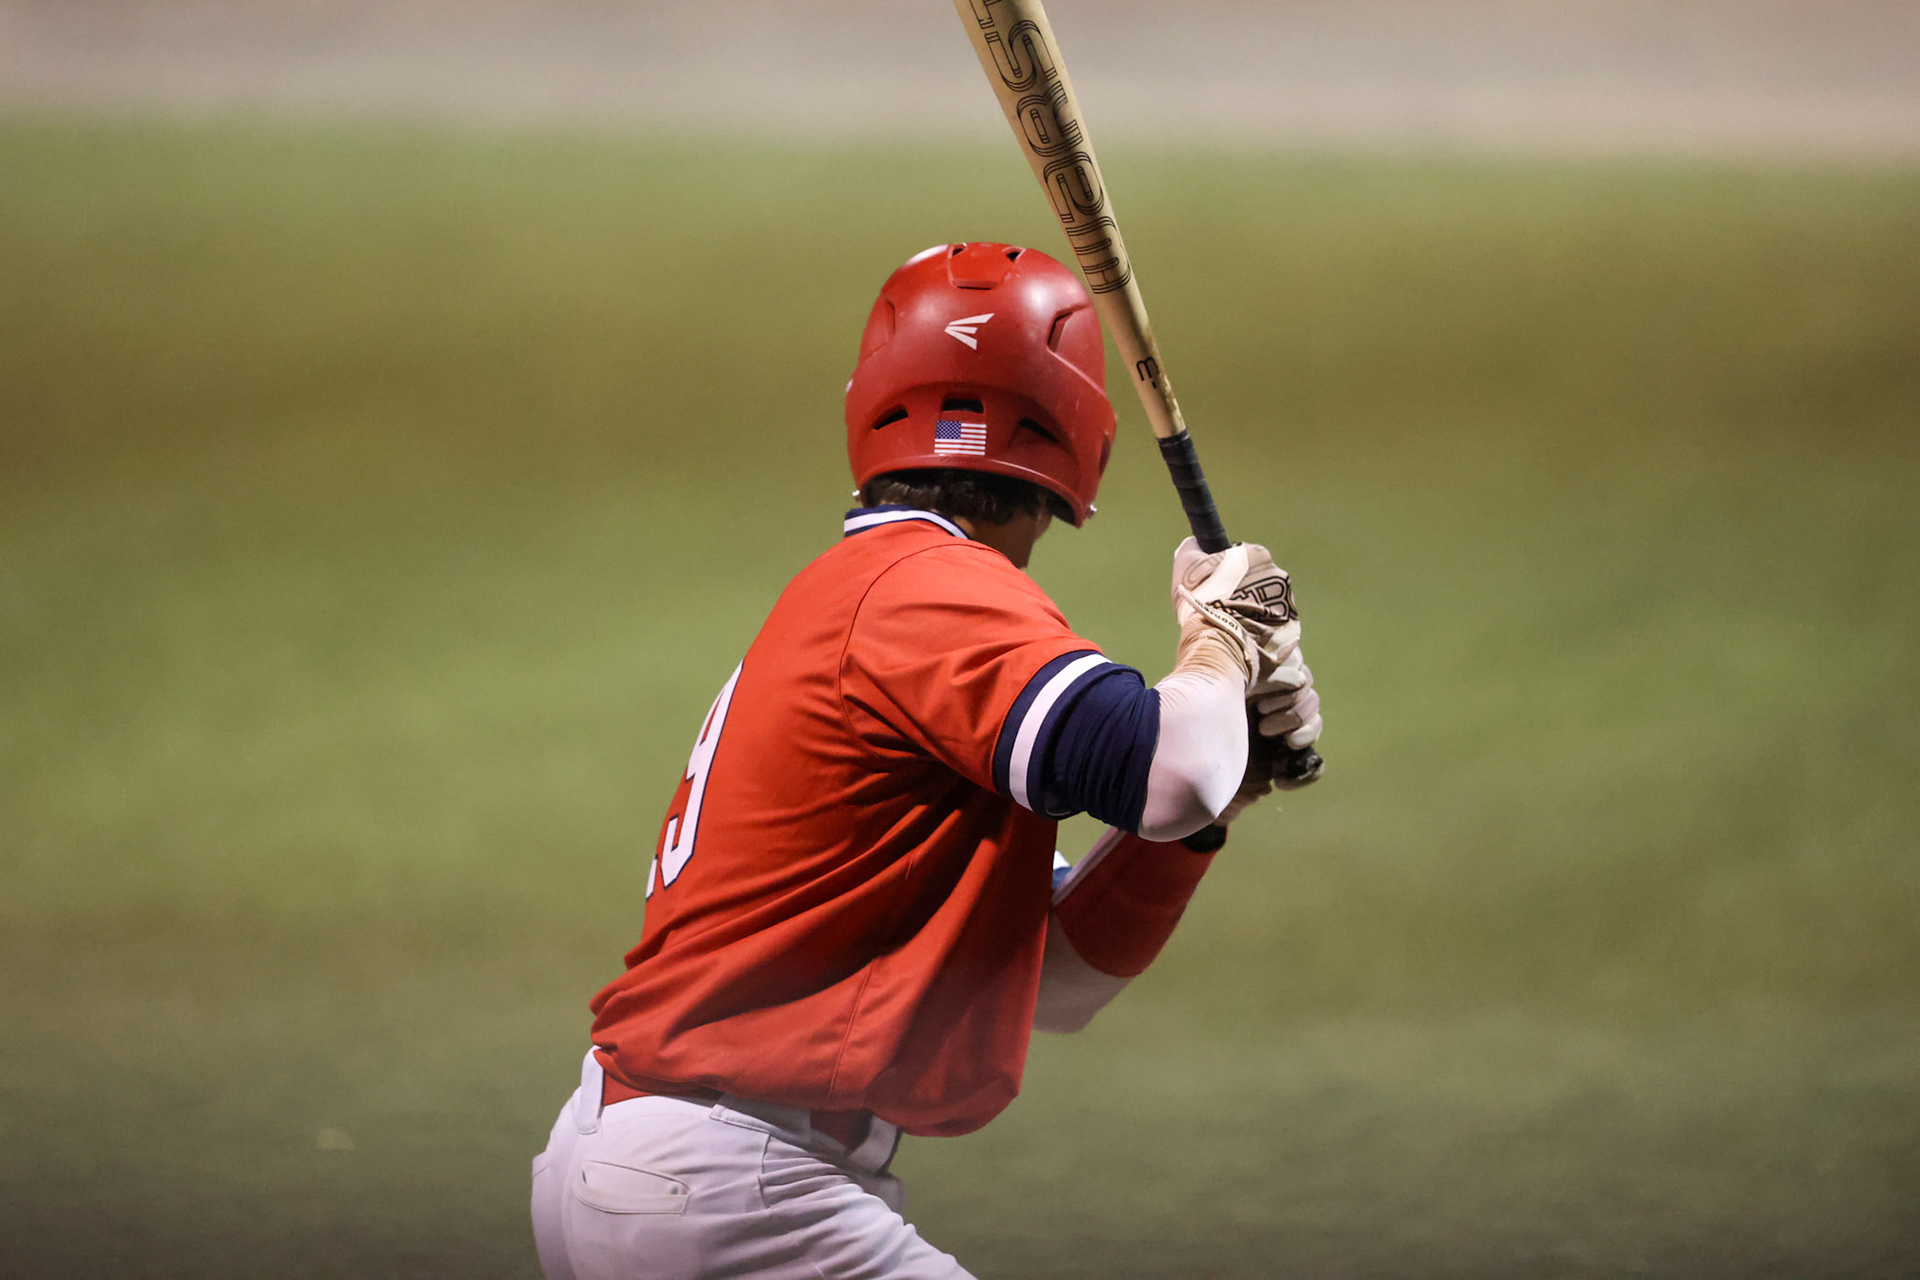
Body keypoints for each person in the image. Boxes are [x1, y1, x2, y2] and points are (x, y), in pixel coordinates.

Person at [530, 241, 1324, 1280]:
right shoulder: (925, 588)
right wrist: (1219, 637)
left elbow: (1058, 979)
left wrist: (1235, 782)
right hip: (723, 1184)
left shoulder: (886, 596)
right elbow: (1169, 771)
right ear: (1077, 424)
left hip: (674, 1169)